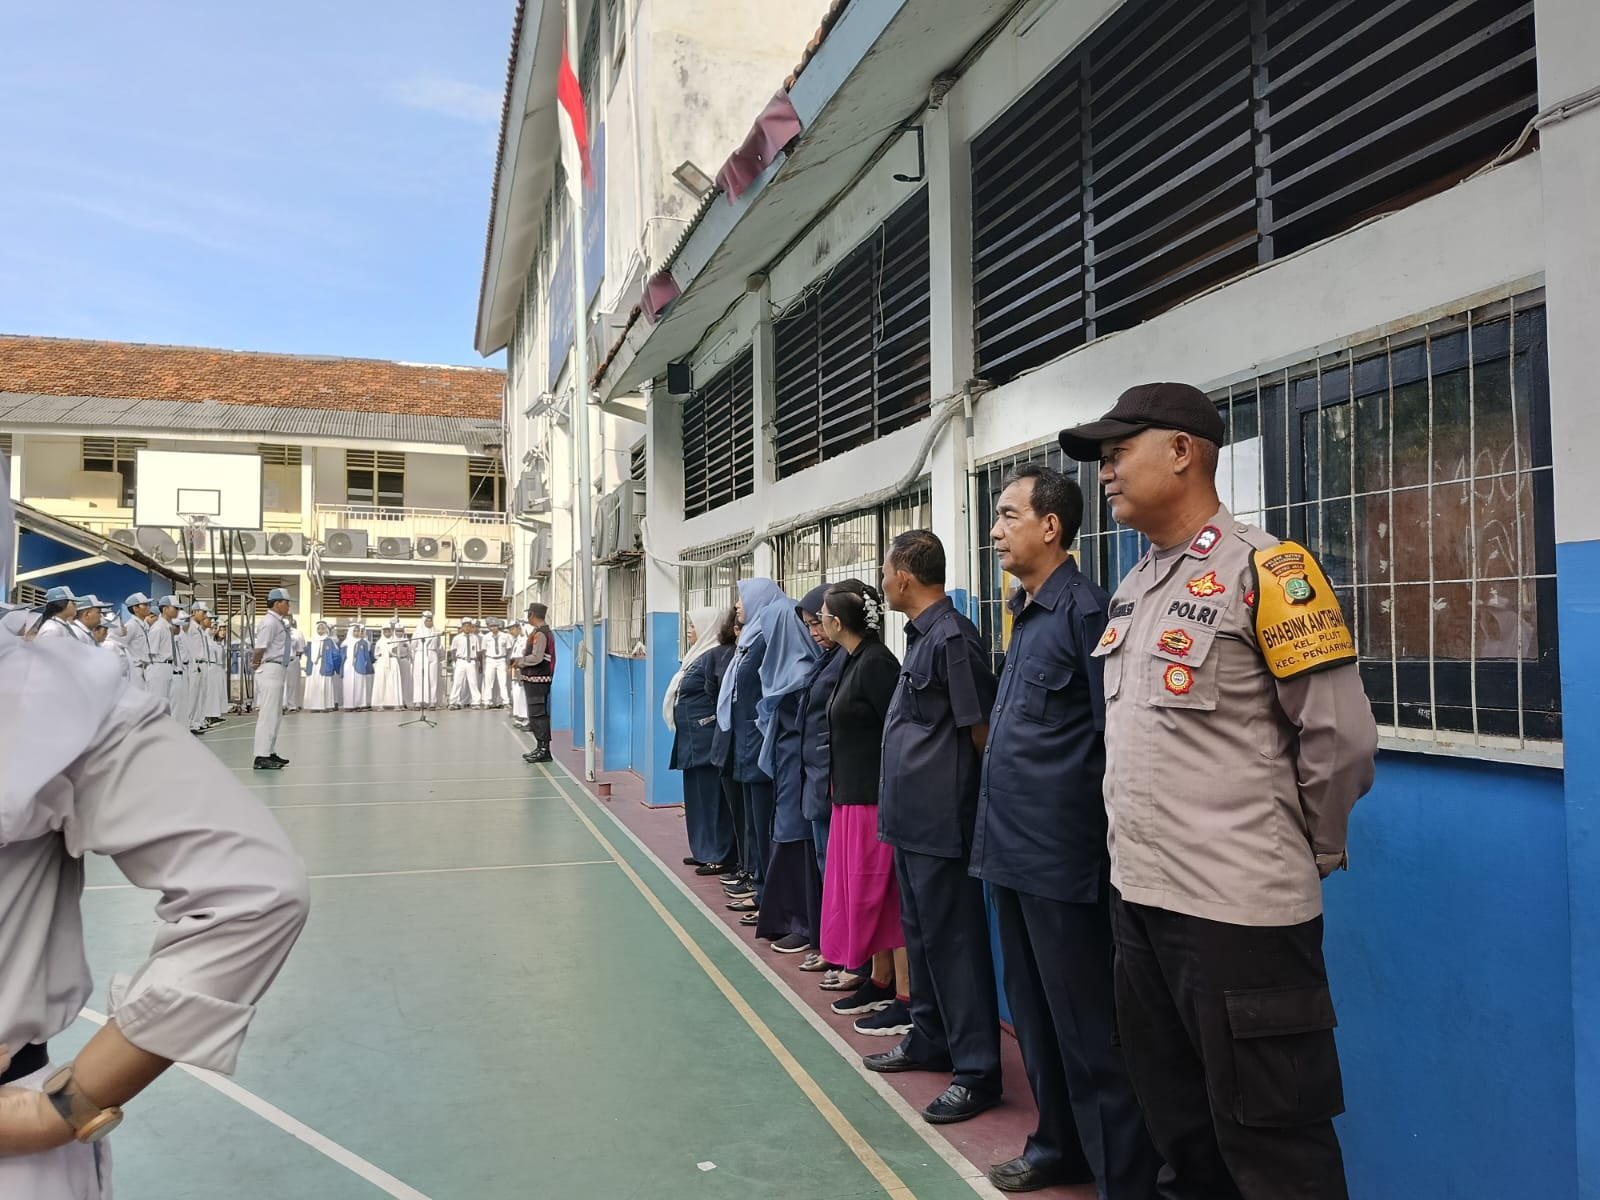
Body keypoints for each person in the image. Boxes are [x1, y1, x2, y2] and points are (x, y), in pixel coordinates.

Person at [1058, 382, 1379, 1200]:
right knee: (1183, 1139)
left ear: (1182, 450)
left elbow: (1338, 739)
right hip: (1143, 904)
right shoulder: (1134, 588)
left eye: (1118, 450)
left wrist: (1309, 843)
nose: (1105, 472)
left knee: (1276, 1152)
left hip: (1239, 915)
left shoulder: (1269, 571)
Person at [0, 609, 310, 1199]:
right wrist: (69, 1106)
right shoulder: (36, 689)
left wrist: (57, 1114)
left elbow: (254, 892)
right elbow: (256, 886)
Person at [967, 466, 1164, 1195]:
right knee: (1038, 1019)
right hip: (1010, 851)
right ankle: (1058, 1146)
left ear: (1051, 526)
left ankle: (1123, 1177)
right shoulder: (1026, 611)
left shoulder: (1086, 612)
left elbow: (1113, 737)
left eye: (1008, 515)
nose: (995, 530)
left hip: (1062, 858)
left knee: (1088, 1029)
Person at [869, 530, 1005, 1126]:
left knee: (955, 946)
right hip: (911, 823)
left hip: (944, 824)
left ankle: (976, 1071)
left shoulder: (952, 640)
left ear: (904, 577)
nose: (880, 581)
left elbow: (981, 736)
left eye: (883, 571)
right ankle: (930, 1037)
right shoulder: (921, 639)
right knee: (922, 940)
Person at [817, 581, 913, 1036]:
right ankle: (879, 980)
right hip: (850, 798)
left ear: (838, 623)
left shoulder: (877, 665)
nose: (818, 623)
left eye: (822, 616)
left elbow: (895, 732)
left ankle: (906, 998)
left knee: (885, 898)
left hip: (873, 801)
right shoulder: (853, 660)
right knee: (862, 897)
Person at [753, 591, 822, 953]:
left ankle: (802, 921)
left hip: (800, 771)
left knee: (795, 841)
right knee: (785, 838)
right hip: (788, 768)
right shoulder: (785, 672)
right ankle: (789, 917)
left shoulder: (798, 673)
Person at [715, 578, 785, 924]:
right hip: (745, 745)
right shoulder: (749, 641)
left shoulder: (765, 640)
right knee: (754, 826)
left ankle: (767, 894)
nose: (738, 606)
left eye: (742, 599)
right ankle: (759, 887)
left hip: (758, 746)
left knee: (765, 824)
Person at [792, 585, 850, 979]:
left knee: (835, 867)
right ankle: (832, 944)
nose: (815, 631)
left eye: (818, 622)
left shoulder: (849, 661)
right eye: (810, 625)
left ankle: (845, 952)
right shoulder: (827, 659)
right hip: (816, 776)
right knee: (824, 864)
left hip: (832, 779)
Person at [666, 606, 738, 872]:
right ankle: (702, 849)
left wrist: (707, 722)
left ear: (707, 628)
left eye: (693, 626)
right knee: (696, 797)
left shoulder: (716, 656)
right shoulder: (695, 657)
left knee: (713, 799)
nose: (689, 631)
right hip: (691, 740)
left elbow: (719, 697)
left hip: (706, 740)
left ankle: (719, 854)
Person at [250, 587, 295, 771]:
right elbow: (260, 648)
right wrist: (255, 664)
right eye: (287, 602)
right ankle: (261, 756)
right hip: (270, 668)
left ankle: (269, 750)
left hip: (278, 668)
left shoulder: (278, 622)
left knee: (275, 714)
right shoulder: (269, 622)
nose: (289, 606)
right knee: (268, 714)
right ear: (277, 603)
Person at [516, 604, 556, 763]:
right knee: (535, 714)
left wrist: (520, 661)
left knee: (539, 715)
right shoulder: (539, 632)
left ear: (532, 614)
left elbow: (537, 657)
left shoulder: (541, 634)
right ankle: (540, 746)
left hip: (538, 680)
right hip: (534, 680)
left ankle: (544, 750)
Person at [304, 620, 341, 712]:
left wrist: (336, 667)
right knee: (314, 685)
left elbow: (335, 654)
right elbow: (306, 652)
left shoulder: (329, 641)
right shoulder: (311, 640)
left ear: (326, 630)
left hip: (325, 665)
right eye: (319, 628)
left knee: (324, 685)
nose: (320, 630)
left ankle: (325, 706)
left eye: (322, 628)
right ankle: (314, 707)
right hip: (313, 666)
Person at [121, 593, 155, 691]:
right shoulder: (131, 625)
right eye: (145, 605)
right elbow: (121, 646)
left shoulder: (143, 625)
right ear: (135, 608)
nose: (149, 607)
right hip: (136, 670)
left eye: (148, 604)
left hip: (146, 670)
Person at [411, 611, 442, 709]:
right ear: (423, 621)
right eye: (427, 620)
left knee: (433, 678)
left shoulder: (436, 631)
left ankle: (432, 701)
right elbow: (413, 645)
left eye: (431, 620)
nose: (429, 622)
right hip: (420, 653)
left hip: (432, 654)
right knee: (419, 678)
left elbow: (438, 645)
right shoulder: (418, 632)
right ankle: (418, 701)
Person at [448, 619, 482, 709]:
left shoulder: (475, 638)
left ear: (471, 627)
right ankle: (453, 702)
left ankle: (476, 702)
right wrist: (455, 662)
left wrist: (479, 663)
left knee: (473, 682)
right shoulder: (457, 638)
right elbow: (453, 650)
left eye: (469, 626)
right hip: (461, 660)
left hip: (471, 661)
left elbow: (478, 651)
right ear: (462, 627)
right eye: (465, 626)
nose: (467, 628)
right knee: (457, 682)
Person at [342, 622, 373, 711]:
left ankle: (359, 704)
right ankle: (349, 705)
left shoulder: (363, 642)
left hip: (360, 666)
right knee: (348, 685)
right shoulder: (345, 643)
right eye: (354, 631)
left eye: (358, 631)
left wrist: (367, 666)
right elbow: (342, 655)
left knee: (360, 684)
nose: (356, 633)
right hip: (348, 666)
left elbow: (367, 656)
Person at [371, 624, 403, 710]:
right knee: (381, 682)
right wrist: (383, 655)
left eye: (389, 631)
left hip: (393, 662)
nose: (387, 633)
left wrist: (391, 654)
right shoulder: (379, 642)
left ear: (391, 631)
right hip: (382, 663)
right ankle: (380, 704)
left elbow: (397, 653)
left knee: (393, 682)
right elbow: (376, 655)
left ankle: (396, 704)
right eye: (385, 631)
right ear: (383, 632)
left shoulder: (395, 641)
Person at [481, 619, 510, 709]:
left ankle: (505, 701)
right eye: (492, 626)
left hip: (501, 659)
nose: (494, 628)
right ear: (489, 627)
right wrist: (484, 663)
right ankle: (487, 701)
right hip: (490, 659)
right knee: (488, 682)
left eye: (495, 626)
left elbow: (508, 649)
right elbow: (483, 650)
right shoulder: (486, 637)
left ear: (498, 626)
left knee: (503, 682)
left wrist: (508, 663)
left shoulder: (505, 636)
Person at [507, 620, 528, 727]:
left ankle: (526, 718)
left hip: (521, 669)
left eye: (512, 629)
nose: (511, 631)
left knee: (522, 694)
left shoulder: (525, 640)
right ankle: (519, 715)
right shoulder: (517, 640)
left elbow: (523, 655)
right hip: (515, 669)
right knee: (516, 694)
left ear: (519, 628)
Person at [284, 618, 307, 714]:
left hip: (292, 659)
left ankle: (292, 705)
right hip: (278, 660)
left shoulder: (296, 634)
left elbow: (300, 649)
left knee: (292, 684)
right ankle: (280, 705)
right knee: (279, 684)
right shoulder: (275, 633)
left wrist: (296, 658)